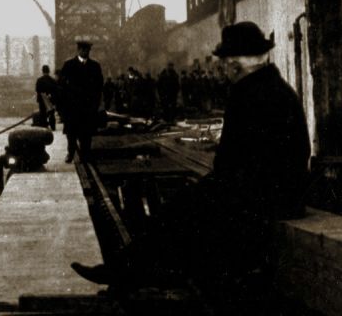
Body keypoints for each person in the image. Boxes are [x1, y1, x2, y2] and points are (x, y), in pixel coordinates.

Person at [71, 22, 310, 290]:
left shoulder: (247, 94)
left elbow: (227, 163)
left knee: (184, 207)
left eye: (225, 62)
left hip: (265, 196)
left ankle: (128, 271)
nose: (223, 68)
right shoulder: (278, 89)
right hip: (287, 193)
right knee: (193, 205)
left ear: (235, 64)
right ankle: (143, 270)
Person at [57, 40, 104, 163]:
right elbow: (61, 86)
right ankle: (71, 153)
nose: (85, 52)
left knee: (86, 133)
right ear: (78, 50)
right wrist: (63, 106)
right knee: (71, 133)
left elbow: (99, 86)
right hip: (72, 106)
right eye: (83, 50)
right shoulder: (68, 65)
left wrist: (96, 104)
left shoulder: (95, 66)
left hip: (88, 107)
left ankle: (85, 155)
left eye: (87, 50)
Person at [35, 65, 58, 129]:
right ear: (49, 71)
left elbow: (37, 90)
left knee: (43, 114)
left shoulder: (39, 80)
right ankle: (53, 126)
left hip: (42, 99)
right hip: (50, 99)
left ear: (42, 71)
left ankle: (44, 126)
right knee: (51, 114)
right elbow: (55, 90)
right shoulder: (52, 80)